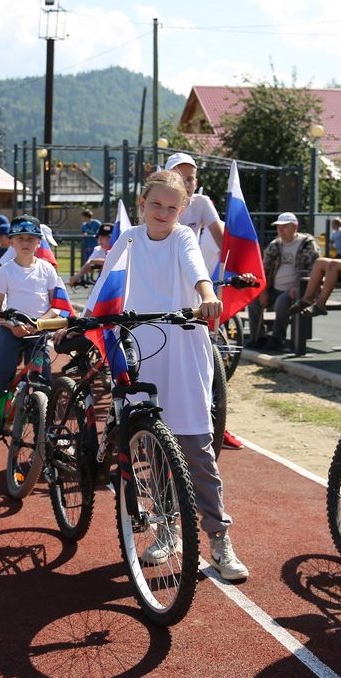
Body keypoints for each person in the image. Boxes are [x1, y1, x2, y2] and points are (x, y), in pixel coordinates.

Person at [95, 170, 248, 581]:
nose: (163, 212)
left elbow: (197, 270)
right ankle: (167, 530)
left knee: (197, 447)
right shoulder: (128, 240)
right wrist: (85, 320)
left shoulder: (183, 238)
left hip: (182, 347)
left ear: (183, 210)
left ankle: (218, 538)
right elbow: (104, 291)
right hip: (141, 347)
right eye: (155, 204)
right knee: (151, 448)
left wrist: (208, 295)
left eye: (172, 207)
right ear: (142, 204)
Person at [0, 216, 65, 455]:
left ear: (39, 242)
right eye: (20, 238)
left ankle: (46, 436)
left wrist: (40, 323)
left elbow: (55, 305)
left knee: (43, 383)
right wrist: (11, 325)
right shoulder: (6, 271)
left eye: (31, 239)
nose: (25, 243)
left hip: (37, 332)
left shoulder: (47, 269)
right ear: (12, 242)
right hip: (11, 330)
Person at [163, 152, 244, 451]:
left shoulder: (201, 203)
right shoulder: (162, 200)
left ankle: (212, 421)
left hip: (194, 285)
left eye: (192, 177)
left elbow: (224, 242)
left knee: (206, 356)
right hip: (160, 282)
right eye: (182, 176)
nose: (188, 182)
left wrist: (238, 267)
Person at [247, 212, 319, 351]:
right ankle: (258, 338)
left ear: (295, 227)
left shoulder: (308, 245)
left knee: (282, 301)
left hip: (299, 291)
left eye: (285, 227)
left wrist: (298, 287)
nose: (281, 231)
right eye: (279, 227)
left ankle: (277, 339)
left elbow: (314, 270)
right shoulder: (275, 245)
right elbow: (265, 270)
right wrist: (263, 291)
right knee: (254, 299)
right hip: (274, 289)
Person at [68, 222, 113, 287]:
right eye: (99, 237)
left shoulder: (120, 249)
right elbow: (88, 265)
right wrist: (77, 277)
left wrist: (95, 261)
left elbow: (113, 262)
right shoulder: (99, 250)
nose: (100, 240)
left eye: (104, 237)